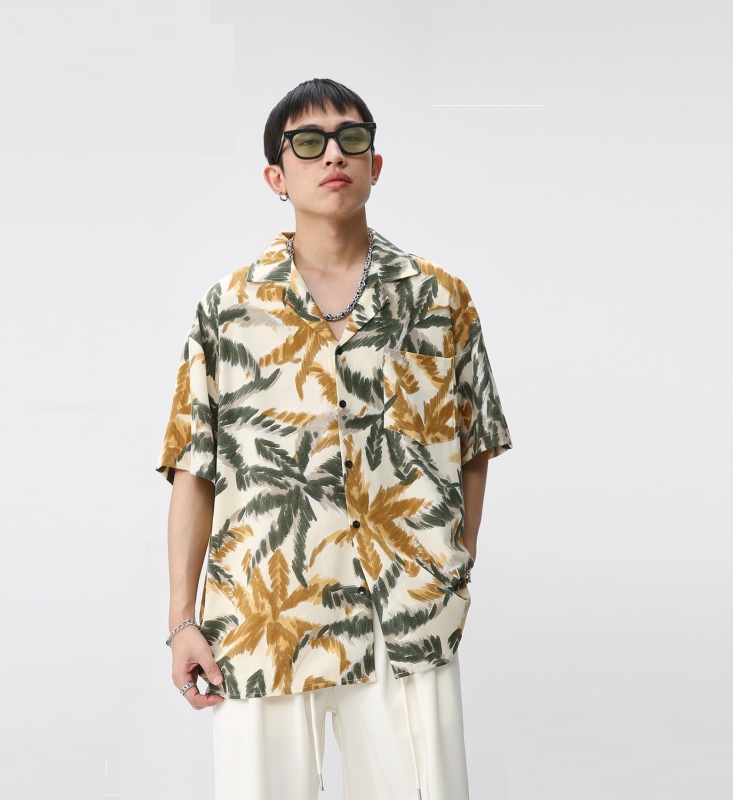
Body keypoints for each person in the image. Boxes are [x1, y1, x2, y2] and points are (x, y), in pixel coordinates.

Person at [156, 78, 513, 800]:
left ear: (374, 164)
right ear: (275, 177)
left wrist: (454, 566)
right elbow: (194, 468)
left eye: (351, 138)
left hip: (406, 615)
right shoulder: (228, 309)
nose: (333, 156)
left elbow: (476, 443)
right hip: (265, 615)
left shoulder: (439, 299)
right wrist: (182, 621)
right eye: (308, 143)